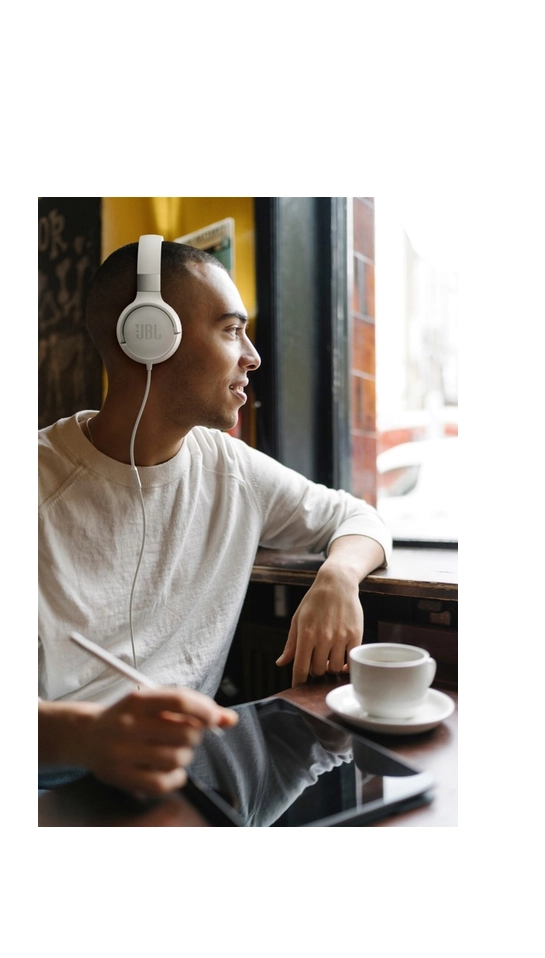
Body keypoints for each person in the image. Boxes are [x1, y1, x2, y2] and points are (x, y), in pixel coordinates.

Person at [38, 238, 390, 797]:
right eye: (231, 331)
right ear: (149, 336)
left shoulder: (232, 468)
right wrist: (90, 738)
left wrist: (338, 577)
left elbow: (356, 516)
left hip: (190, 770)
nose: (253, 356)